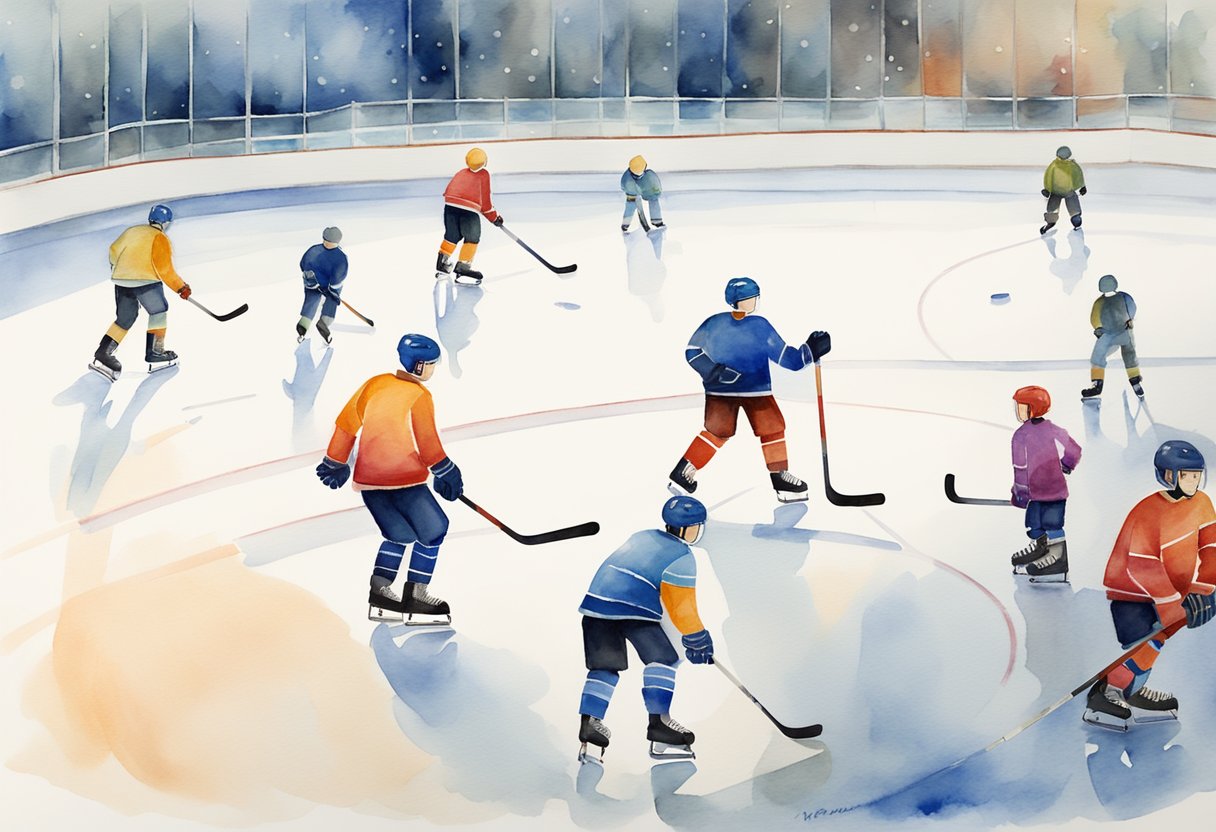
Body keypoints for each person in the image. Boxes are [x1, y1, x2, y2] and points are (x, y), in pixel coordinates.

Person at [315, 334, 463, 625]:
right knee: (434, 530)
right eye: (432, 364)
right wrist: (447, 472)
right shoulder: (420, 396)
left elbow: (347, 424)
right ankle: (416, 595)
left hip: (370, 483)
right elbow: (428, 444)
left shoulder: (375, 384)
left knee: (400, 535)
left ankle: (380, 593)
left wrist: (335, 462)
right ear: (420, 367)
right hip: (404, 481)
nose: (433, 369)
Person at [1083, 440, 1215, 730]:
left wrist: (1203, 589)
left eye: (1197, 475)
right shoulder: (1148, 511)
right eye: (1186, 475)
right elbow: (1142, 565)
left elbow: (1211, 548)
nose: (1193, 481)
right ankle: (1107, 694)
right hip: (1133, 592)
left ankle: (1129, 691)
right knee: (1144, 642)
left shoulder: (1203, 504)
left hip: (1175, 593)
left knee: (1156, 642)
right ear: (1169, 476)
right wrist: (1171, 606)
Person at [576, 495, 714, 764]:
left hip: (595, 608)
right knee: (663, 659)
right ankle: (659, 724)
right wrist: (697, 638)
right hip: (633, 611)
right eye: (697, 525)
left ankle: (590, 724)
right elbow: (681, 607)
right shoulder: (682, 556)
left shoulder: (643, 535)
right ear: (687, 529)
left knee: (604, 667)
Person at [669, 277, 831, 503]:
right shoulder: (743, 325)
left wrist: (810, 350)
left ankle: (779, 476)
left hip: (741, 391)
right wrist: (715, 371)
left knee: (767, 429)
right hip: (741, 391)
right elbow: (692, 351)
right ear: (740, 301)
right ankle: (684, 472)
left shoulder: (744, 324)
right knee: (724, 431)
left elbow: (789, 358)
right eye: (751, 298)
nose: (755, 301)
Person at [89, 204, 191, 380]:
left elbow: (113, 250)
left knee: (125, 318)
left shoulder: (132, 231)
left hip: (122, 280)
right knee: (158, 311)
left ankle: (103, 353)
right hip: (146, 281)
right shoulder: (160, 238)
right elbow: (164, 269)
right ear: (166, 223)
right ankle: (155, 352)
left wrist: (119, 268)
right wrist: (180, 287)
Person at [1008, 386, 1082, 582]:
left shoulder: (1020, 435)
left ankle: (1058, 558)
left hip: (1044, 492)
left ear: (1032, 408)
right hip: (1051, 490)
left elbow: (1020, 467)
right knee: (1035, 524)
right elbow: (1074, 449)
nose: (1017, 410)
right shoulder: (1053, 429)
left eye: (1021, 406)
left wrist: (1020, 493)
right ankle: (1043, 549)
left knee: (1052, 523)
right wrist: (1066, 465)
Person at [435, 147, 501, 285]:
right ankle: (463, 267)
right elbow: (486, 203)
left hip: (450, 206)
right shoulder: (484, 174)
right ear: (484, 162)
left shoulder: (461, 172)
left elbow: (451, 191)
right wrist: (494, 217)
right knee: (472, 237)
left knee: (452, 235)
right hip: (468, 211)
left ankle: (442, 263)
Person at [1083, 274, 1143, 399]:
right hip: (1108, 333)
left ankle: (1135, 380)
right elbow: (1094, 318)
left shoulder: (1123, 297)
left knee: (1128, 354)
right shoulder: (1100, 302)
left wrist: (1129, 320)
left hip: (1122, 331)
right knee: (1098, 356)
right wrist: (1099, 329)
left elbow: (1132, 308)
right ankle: (1097, 384)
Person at [297, 226, 347, 345]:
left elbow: (302, 264)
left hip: (313, 284)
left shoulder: (313, 250)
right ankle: (324, 323)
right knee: (332, 300)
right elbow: (339, 276)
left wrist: (311, 280)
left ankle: (303, 325)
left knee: (311, 300)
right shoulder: (340, 257)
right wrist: (333, 290)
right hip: (324, 286)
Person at [1040, 145, 1087, 234]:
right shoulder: (1070, 165)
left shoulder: (1055, 165)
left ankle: (1052, 221)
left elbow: (1048, 177)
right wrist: (1082, 186)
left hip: (1058, 191)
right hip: (1064, 191)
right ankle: (1075, 220)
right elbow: (1078, 176)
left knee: (1054, 207)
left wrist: (1047, 189)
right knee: (1072, 206)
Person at [620, 155, 663, 231]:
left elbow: (654, 188)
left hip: (641, 189)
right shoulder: (628, 179)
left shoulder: (649, 176)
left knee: (652, 201)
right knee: (631, 204)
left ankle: (656, 221)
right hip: (632, 191)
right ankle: (626, 224)